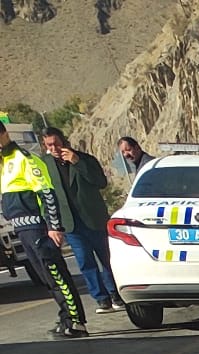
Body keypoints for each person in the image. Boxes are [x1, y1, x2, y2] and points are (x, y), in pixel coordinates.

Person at [0, 119, 87, 338]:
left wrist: (53, 226)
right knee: (46, 279)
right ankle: (65, 316)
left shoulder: (25, 159)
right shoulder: (4, 163)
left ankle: (76, 322)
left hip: (38, 227)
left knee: (57, 275)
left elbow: (47, 192)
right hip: (22, 229)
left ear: (3, 135)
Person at [40, 127, 119, 312]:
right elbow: (45, 196)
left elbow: (101, 182)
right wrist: (52, 224)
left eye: (56, 143)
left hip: (94, 219)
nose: (54, 148)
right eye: (49, 145)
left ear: (64, 141)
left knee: (107, 258)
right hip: (70, 224)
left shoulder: (85, 159)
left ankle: (115, 293)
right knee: (85, 262)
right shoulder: (44, 166)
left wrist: (77, 162)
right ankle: (101, 299)